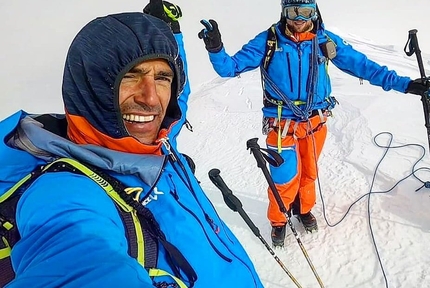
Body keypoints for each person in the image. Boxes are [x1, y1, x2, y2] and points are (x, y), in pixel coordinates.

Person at [0, 1, 264, 287]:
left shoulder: (158, 139)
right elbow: (78, 264)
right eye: (130, 76)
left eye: (162, 78)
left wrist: (171, 33)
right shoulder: (64, 194)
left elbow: (180, 95)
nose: (151, 98)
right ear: (90, 85)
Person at [198, 0, 430, 247]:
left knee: (309, 173)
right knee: (284, 177)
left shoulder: (324, 41)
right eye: (293, 11)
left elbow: (364, 67)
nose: (299, 18)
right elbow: (229, 68)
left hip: (314, 123)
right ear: (283, 13)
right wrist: (216, 48)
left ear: (315, 12)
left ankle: (303, 210)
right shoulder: (269, 41)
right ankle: (278, 221)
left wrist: (405, 85)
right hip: (281, 125)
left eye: (305, 11)